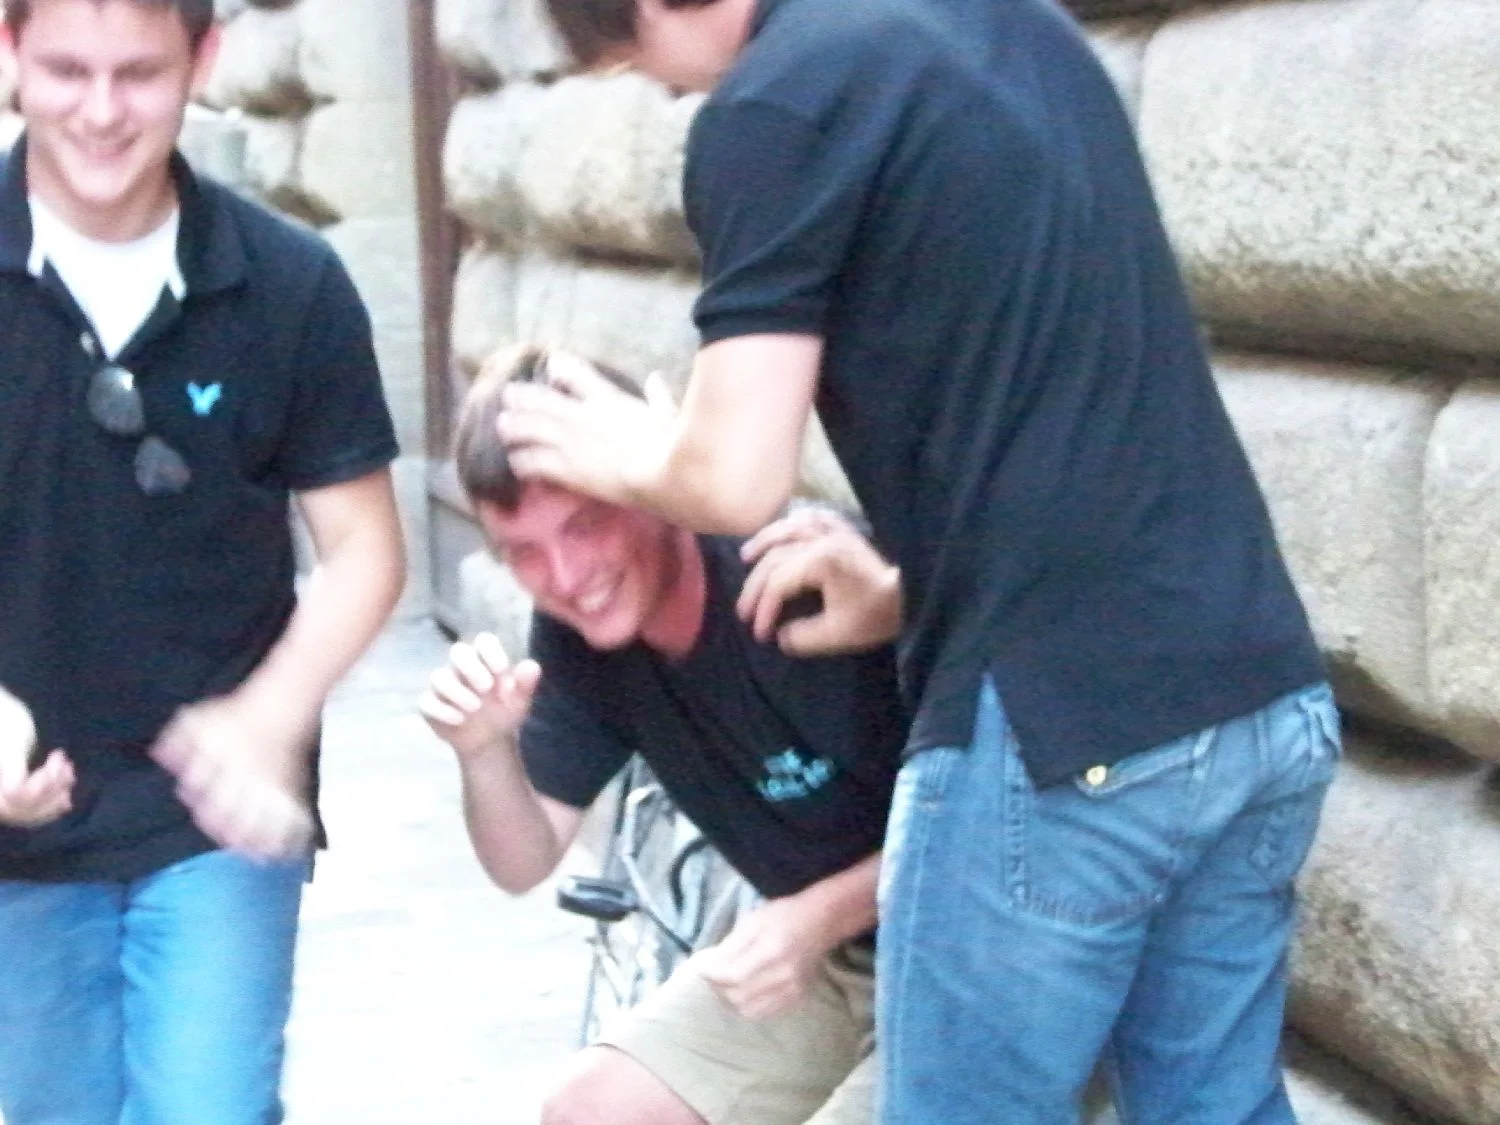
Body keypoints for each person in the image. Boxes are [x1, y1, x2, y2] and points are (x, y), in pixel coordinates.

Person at [495, 0, 1343, 1121]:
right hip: (1256, 685)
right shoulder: (1016, 24)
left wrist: (629, 452)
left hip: (1063, 727)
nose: (677, 98)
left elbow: (735, 480)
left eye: (643, 69)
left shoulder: (774, 102)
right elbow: (1057, 403)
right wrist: (904, 594)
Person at [0, 1, 407, 1122]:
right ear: (9, 53)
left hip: (214, 817)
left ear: (205, 60)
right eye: (66, 71)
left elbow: (366, 548)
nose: (100, 111)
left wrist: (269, 715)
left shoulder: (292, 280)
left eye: (139, 73)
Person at [420, 344, 909, 1125]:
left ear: (650, 484)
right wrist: (482, 751)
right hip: (836, 956)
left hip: (982, 947)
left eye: (586, 525)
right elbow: (524, 859)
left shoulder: (795, 575)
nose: (567, 577)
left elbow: (1001, 828)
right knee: (589, 1111)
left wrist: (815, 917)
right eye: (525, 553)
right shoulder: (577, 636)